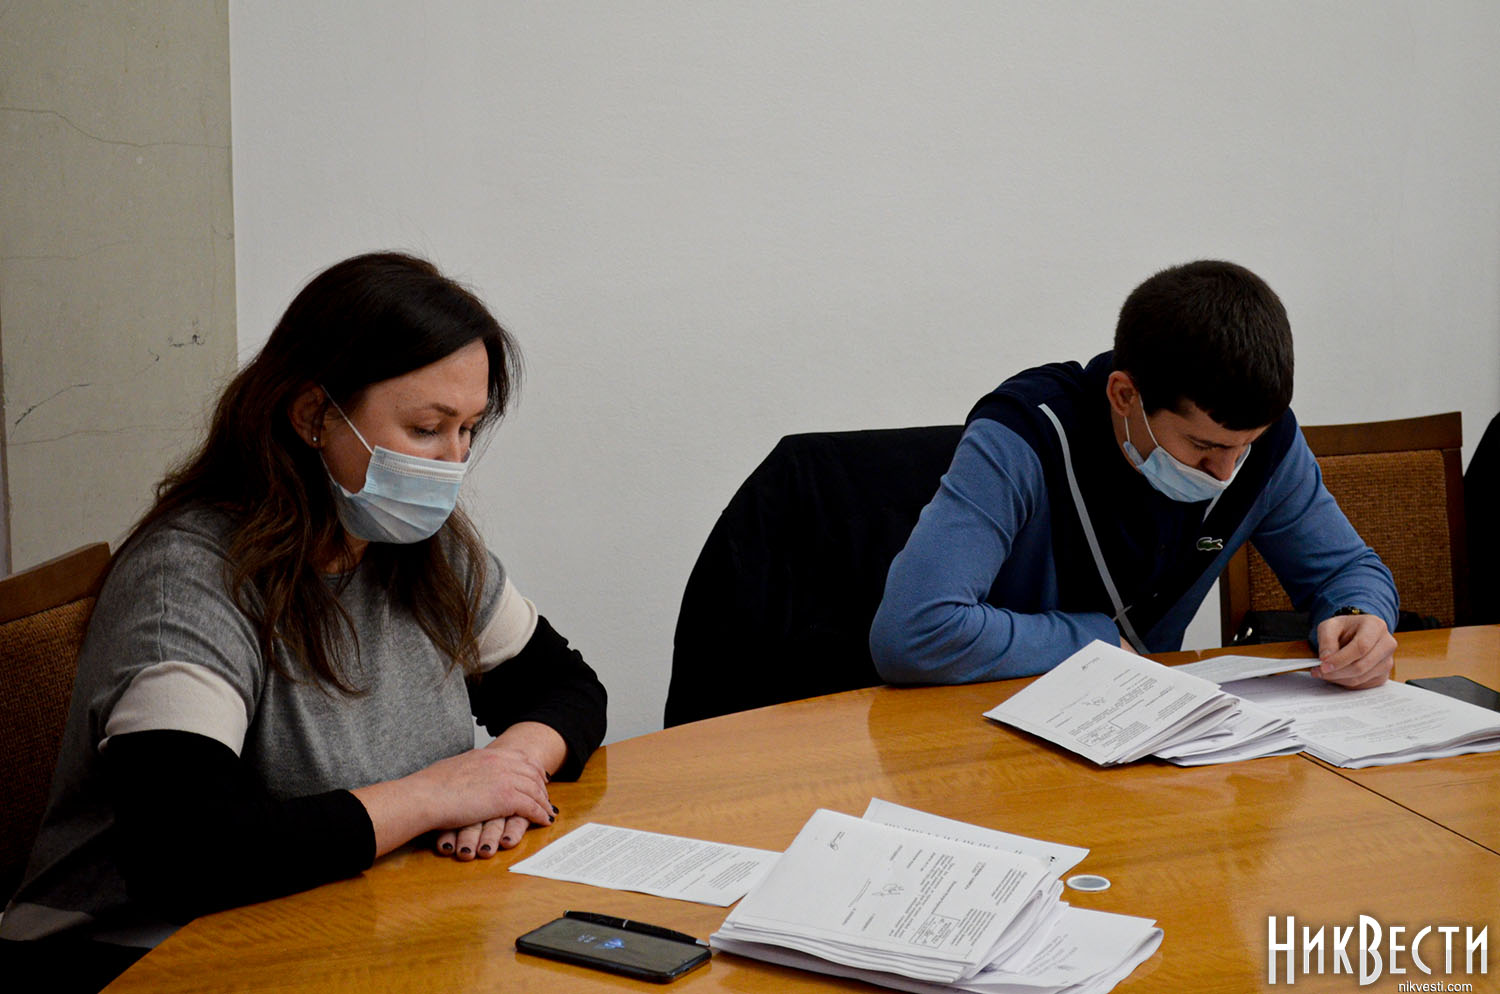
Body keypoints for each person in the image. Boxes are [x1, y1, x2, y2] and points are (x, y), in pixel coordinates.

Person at [0, 253, 608, 992]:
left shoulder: (424, 547)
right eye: (427, 428)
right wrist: (434, 796)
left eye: (469, 430)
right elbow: (190, 849)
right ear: (314, 415)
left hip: (346, 921)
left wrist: (506, 772)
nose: (452, 464)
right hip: (133, 956)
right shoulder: (189, 580)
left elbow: (567, 687)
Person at [870, 260, 1398, 688]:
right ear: (1125, 396)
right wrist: (1090, 641)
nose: (1225, 471)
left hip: (1149, 729)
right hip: (990, 726)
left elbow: (1346, 570)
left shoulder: (1264, 443)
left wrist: (1360, 616)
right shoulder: (1023, 436)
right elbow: (914, 630)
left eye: (1245, 446)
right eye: (1202, 446)